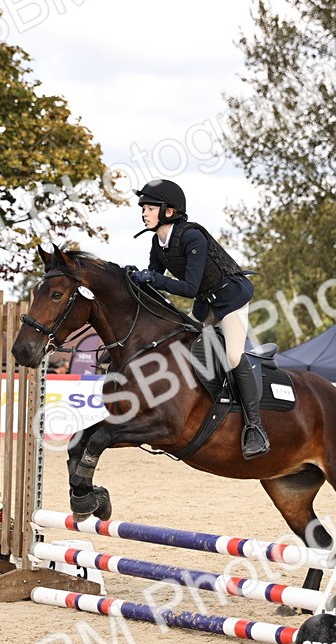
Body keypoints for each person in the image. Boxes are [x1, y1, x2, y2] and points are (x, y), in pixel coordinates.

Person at [129, 178, 269, 459]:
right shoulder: (159, 242)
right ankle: (213, 401)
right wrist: (131, 280)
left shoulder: (193, 236)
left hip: (231, 300)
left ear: (169, 211)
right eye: (143, 207)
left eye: (149, 207)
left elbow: (189, 287)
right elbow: (153, 281)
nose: (143, 212)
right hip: (206, 304)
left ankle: (255, 427)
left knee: (231, 356)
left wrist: (153, 278)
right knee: (180, 343)